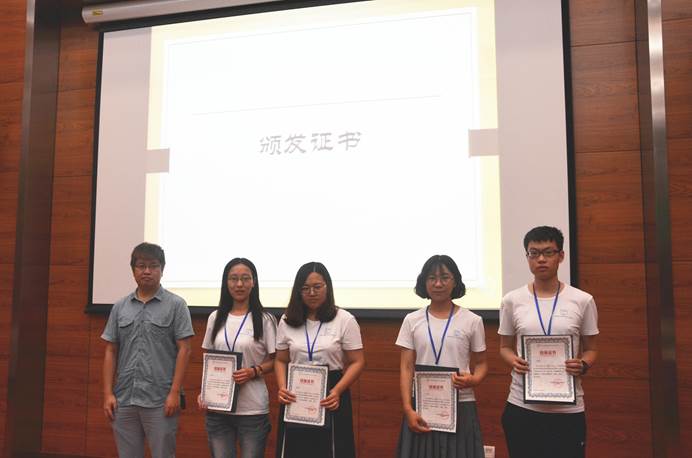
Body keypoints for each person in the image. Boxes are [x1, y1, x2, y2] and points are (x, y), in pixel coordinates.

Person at [499, 226, 599, 458]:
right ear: (527, 257)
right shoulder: (512, 300)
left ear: (560, 256)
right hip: (522, 406)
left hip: (568, 410)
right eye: (534, 253)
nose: (541, 259)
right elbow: (504, 347)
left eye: (548, 252)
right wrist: (513, 360)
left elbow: (592, 349)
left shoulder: (582, 300)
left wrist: (583, 364)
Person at [101, 242, 194, 458]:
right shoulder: (120, 307)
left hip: (160, 400)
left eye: (153, 266)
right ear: (133, 270)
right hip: (124, 398)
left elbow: (185, 350)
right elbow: (110, 351)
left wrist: (174, 393)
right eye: (141, 266)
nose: (147, 271)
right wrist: (107, 393)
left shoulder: (176, 305)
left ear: (162, 269)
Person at [395, 255, 487, 458]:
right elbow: (406, 367)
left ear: (455, 281)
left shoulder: (472, 320)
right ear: (424, 282)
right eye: (432, 278)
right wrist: (408, 409)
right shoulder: (412, 320)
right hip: (422, 405)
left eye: (445, 277)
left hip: (461, 404)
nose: (438, 284)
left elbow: (482, 364)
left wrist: (474, 380)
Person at [274, 262, 365, 458]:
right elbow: (281, 360)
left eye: (317, 287)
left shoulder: (344, 319)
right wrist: (282, 387)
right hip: (295, 393)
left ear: (327, 287)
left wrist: (338, 391)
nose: (312, 293)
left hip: (332, 392)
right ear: (298, 291)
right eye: (305, 288)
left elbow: (357, 361)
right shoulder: (287, 320)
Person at [198, 257, 277, 458]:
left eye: (245, 278)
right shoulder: (215, 317)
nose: (239, 284)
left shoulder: (265, 319)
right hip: (217, 410)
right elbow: (208, 359)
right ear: (226, 282)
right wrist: (204, 392)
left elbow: (277, 361)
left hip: (252, 410)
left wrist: (254, 371)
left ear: (254, 282)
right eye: (233, 278)